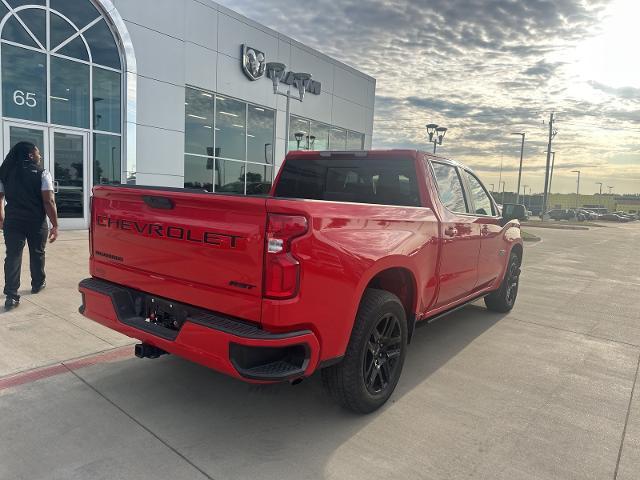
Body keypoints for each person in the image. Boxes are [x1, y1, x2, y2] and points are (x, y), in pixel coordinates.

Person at [0, 141, 58, 310]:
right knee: (37, 253)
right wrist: (55, 224)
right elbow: (49, 201)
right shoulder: (42, 173)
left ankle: (11, 296)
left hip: (13, 221)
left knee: (12, 256)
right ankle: (38, 283)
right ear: (31, 155)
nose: (40, 155)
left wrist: (1, 218)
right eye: (38, 152)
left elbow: (0, 198)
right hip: (36, 222)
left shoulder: (5, 172)